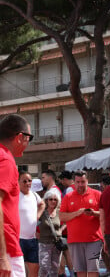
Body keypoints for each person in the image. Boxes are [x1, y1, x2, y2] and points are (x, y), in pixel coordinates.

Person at [0, 114, 33, 276]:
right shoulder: (5, 159)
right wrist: (2, 257)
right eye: (29, 137)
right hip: (7, 248)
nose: (28, 143)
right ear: (20, 137)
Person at [59, 170, 103, 277]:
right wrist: (76, 213)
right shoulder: (68, 197)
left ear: (87, 181)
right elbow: (61, 216)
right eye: (78, 182)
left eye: (83, 182)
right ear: (73, 182)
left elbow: (105, 214)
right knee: (80, 271)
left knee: (93, 270)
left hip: (94, 240)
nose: (80, 185)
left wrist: (94, 213)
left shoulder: (97, 194)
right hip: (75, 241)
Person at [19, 171, 45, 277]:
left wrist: (38, 215)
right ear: (18, 182)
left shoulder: (34, 195)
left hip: (33, 239)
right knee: (19, 271)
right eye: (24, 181)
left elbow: (42, 204)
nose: (27, 183)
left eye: (30, 180)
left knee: (35, 269)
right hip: (18, 239)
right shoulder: (15, 196)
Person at [38, 190, 64, 277]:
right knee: (44, 268)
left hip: (56, 245)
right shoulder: (42, 212)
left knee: (55, 269)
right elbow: (33, 222)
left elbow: (67, 221)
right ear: (46, 200)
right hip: (44, 244)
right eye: (51, 199)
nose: (53, 201)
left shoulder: (59, 212)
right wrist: (35, 232)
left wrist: (61, 230)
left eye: (55, 200)